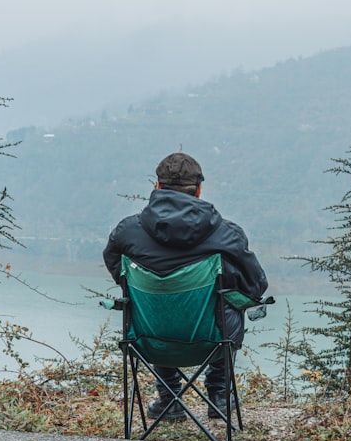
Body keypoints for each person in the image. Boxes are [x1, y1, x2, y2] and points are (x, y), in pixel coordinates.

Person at [103, 152, 269, 420]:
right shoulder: (227, 234)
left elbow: (117, 270)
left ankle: (169, 399)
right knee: (227, 305)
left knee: (160, 306)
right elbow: (256, 285)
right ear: (199, 190)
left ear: (157, 186)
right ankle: (219, 396)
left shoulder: (127, 232)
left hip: (148, 337)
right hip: (211, 339)